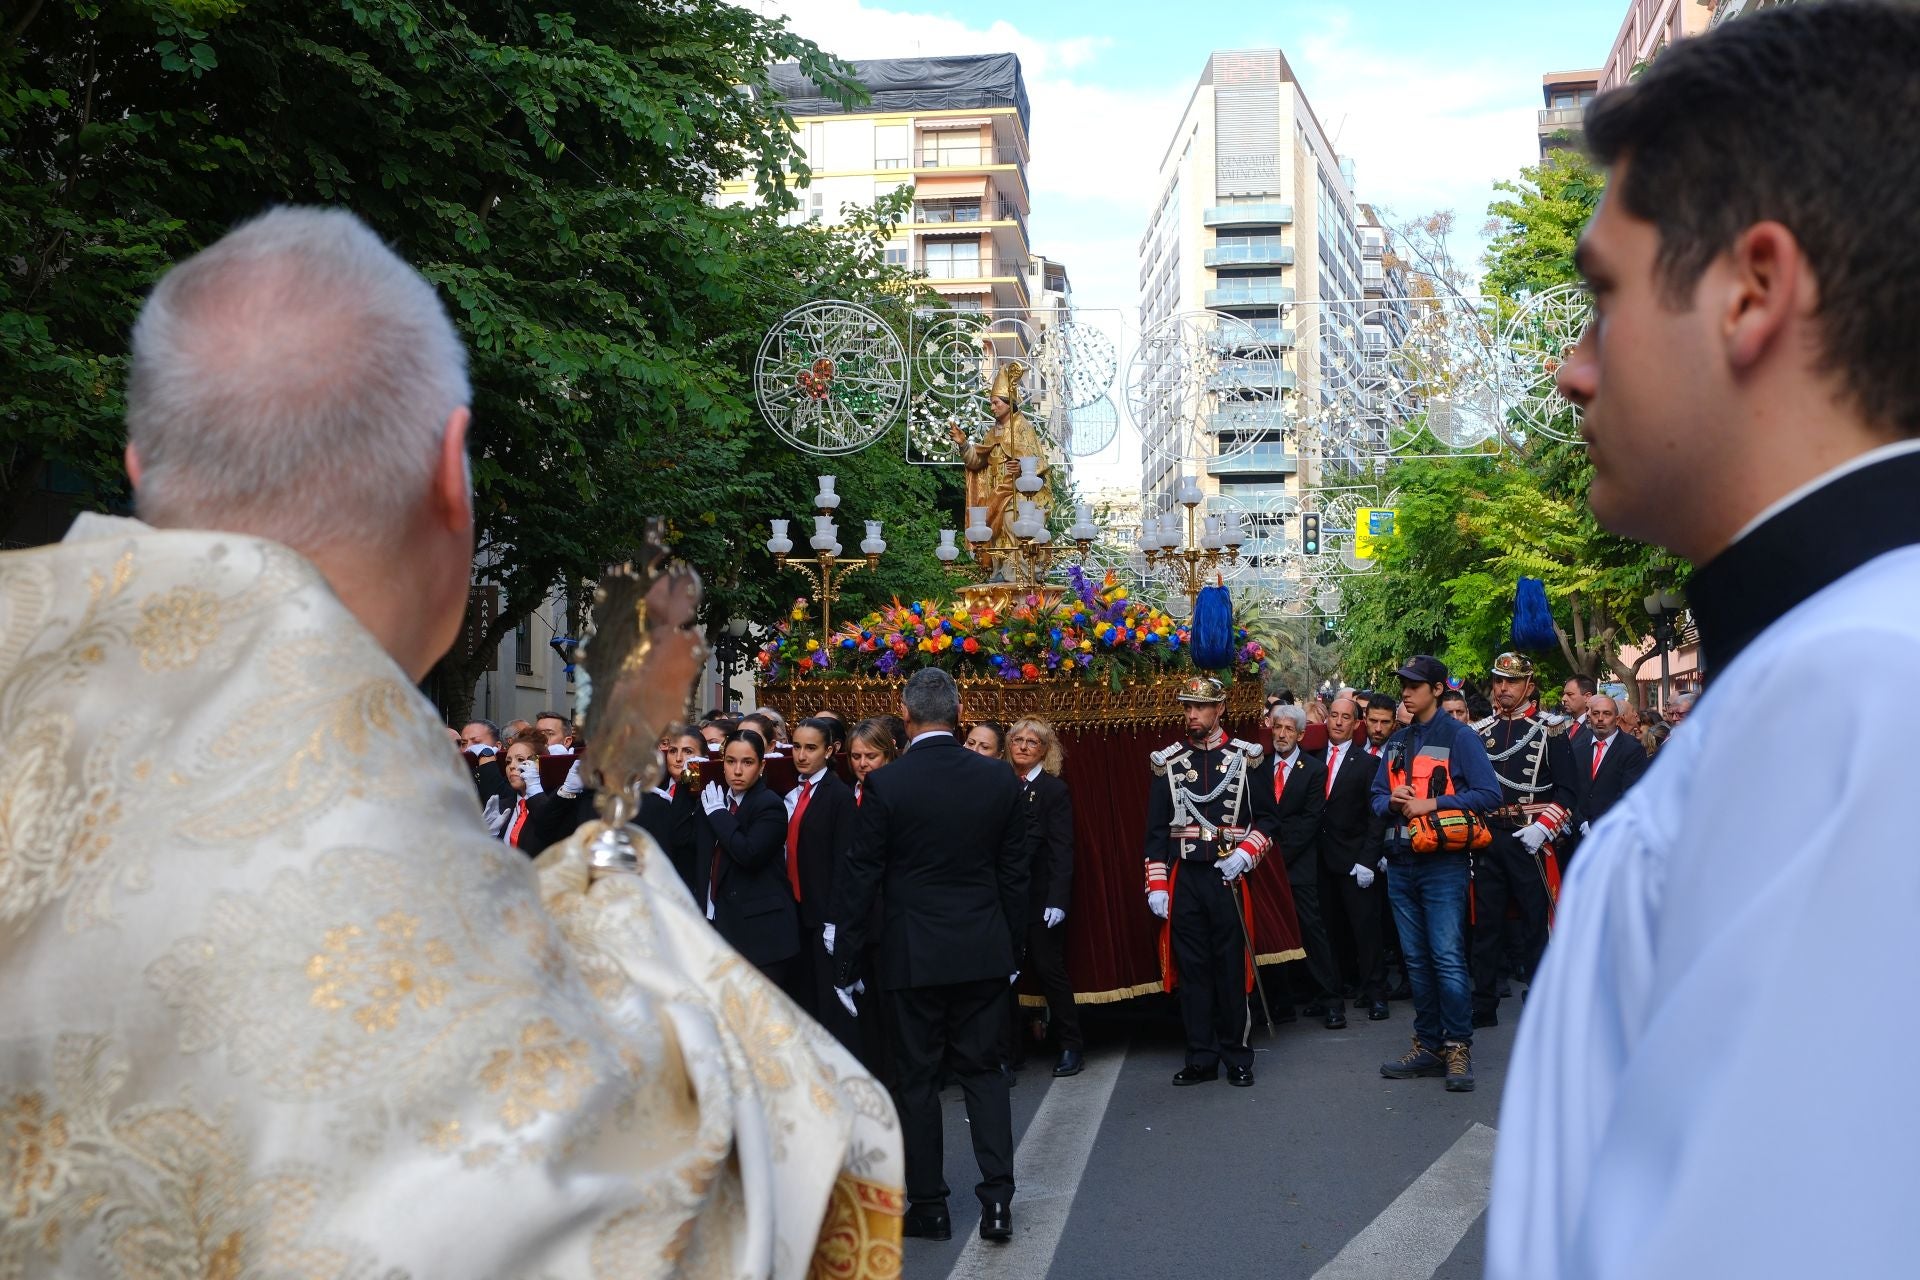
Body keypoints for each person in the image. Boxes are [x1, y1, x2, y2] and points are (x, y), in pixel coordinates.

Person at [0, 206, 900, 1275]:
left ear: (139, 462)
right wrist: (633, 934)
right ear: (452, 472)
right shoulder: (360, 815)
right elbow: (680, 1218)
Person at [1490, 7, 1920, 1275]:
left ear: (1752, 290)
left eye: (1603, 295)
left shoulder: (1854, 692)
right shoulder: (1837, 668)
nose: (1573, 369)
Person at [830, 669, 1028, 1244]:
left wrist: (846, 957)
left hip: (911, 953)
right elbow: (1015, 874)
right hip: (982, 948)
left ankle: (930, 1207)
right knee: (984, 1075)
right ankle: (997, 1203)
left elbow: (860, 876)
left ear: (907, 716)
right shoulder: (998, 780)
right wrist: (1010, 945)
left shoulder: (888, 785)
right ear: (959, 713)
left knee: (915, 1081)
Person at [1372, 656, 1501, 1092]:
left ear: (1437, 690)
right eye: (1403, 685)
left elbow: (1489, 794)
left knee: (1446, 957)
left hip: (1442, 863)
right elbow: (1375, 797)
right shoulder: (1398, 739)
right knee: (1416, 961)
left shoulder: (1460, 736)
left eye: (1414, 685)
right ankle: (1428, 1045)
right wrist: (1393, 800)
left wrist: (1432, 804)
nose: (1405, 693)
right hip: (1401, 861)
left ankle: (1457, 1045)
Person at [1144, 676, 1278, 1088]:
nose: (1191, 715)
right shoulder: (1168, 762)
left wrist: (1244, 854)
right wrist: (1158, 886)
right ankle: (1201, 1056)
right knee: (1195, 970)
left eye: (1199, 708)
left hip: (1228, 878)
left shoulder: (1247, 757)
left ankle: (1238, 1056)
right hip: (1187, 877)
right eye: (1187, 707)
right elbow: (1155, 832)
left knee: (1230, 969)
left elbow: (1269, 820)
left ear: (1219, 709)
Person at [1470, 653, 1577, 1028]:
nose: (1502, 688)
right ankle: (1483, 1004)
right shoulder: (1481, 731)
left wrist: (1543, 828)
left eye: (1511, 682)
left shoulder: (1551, 729)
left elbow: (1568, 791)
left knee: (1536, 925)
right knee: (1486, 926)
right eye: (1498, 680)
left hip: (1530, 837)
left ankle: (1543, 999)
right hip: (1490, 837)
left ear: (1529, 685)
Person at [1005, 718, 1083, 1078]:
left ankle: (1070, 1045)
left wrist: (1058, 900)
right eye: (1017, 740)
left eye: (1031, 742)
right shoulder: (1000, 784)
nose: (1022, 746)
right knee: (1003, 977)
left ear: (1045, 750)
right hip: (1005, 897)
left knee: (1051, 972)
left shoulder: (1054, 790)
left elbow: (1062, 850)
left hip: (1040, 898)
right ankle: (1007, 1053)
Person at [695, 728, 802, 992]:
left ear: (762, 765)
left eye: (747, 762)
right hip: (722, 924)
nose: (737, 771)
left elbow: (749, 854)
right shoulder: (717, 799)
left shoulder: (769, 805)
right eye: (730, 762)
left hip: (763, 936)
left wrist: (719, 815)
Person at [1263, 703, 1340, 1028]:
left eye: (1288, 729)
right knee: (1271, 933)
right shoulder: (1260, 767)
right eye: (1277, 728)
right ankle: (1281, 1003)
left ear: (1300, 734)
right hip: (1264, 864)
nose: (1281, 734)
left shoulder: (1313, 769)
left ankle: (1331, 1000)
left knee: (1311, 931)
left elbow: (1310, 821)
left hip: (1298, 865)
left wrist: (1281, 856)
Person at [1316, 694, 1391, 1020]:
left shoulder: (1368, 764)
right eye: (1333, 715)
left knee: (1366, 930)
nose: (1337, 722)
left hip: (1355, 860)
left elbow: (1376, 818)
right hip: (1320, 861)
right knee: (1328, 930)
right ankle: (1334, 989)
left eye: (1345, 717)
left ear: (1355, 723)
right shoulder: (1311, 758)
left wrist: (1368, 860)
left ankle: (1376, 993)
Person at [787, 717, 859, 1049]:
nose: (801, 755)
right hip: (796, 910)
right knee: (804, 998)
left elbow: (844, 861)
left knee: (829, 1000)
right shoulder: (793, 791)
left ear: (830, 751)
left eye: (811, 748)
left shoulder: (837, 795)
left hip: (823, 912)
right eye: (796, 747)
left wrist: (834, 919)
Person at [948, 357, 1049, 569]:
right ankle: (998, 570)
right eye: (991, 404)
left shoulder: (1024, 428)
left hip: (1017, 494)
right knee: (994, 535)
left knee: (1013, 524)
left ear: (1008, 402)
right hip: (994, 494)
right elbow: (976, 463)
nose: (992, 408)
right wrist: (964, 444)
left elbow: (1039, 463)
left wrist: (1023, 468)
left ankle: (1021, 572)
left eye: (996, 403)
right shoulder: (992, 433)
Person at [1563, 694, 1649, 859]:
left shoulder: (1632, 749)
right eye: (1596, 714)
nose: (1600, 719)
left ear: (1617, 719)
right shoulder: (1578, 748)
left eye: (1606, 714)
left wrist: (1596, 825)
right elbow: (1571, 789)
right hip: (1579, 837)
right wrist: (1580, 822)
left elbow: (1629, 794)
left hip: (1614, 837)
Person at [638, 727, 703, 892]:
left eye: (688, 751)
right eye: (673, 751)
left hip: (690, 885)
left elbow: (682, 838)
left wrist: (684, 784)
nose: (679, 758)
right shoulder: (652, 788)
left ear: (704, 757)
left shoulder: (708, 794)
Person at [846, 716, 900, 804]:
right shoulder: (842, 793)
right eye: (856, 757)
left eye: (871, 756)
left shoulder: (899, 794)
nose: (862, 763)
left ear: (887, 755)